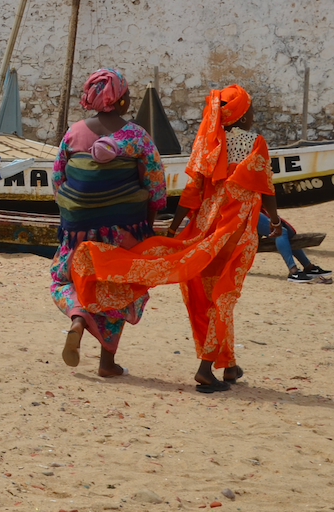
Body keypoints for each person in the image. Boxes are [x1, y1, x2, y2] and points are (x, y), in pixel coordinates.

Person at [71, 85, 276, 393]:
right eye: (251, 112)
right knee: (224, 297)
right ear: (243, 116)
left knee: (212, 296)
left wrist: (175, 227)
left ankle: (229, 365)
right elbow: (265, 187)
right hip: (236, 233)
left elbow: (192, 192)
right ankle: (207, 368)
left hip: (204, 232)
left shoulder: (210, 144)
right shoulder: (255, 143)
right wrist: (274, 220)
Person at [50, 69, 165, 377]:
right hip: (125, 229)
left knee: (66, 282)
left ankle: (78, 316)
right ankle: (106, 362)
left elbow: (58, 178)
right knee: (120, 288)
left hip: (78, 230)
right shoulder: (137, 135)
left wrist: (72, 218)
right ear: (122, 100)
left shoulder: (73, 133)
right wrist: (147, 225)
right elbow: (155, 184)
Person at [258, 213, 331, 282]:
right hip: (250, 212)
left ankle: (308, 267)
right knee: (280, 232)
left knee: (288, 233)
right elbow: (268, 199)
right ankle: (293, 271)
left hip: (252, 210)